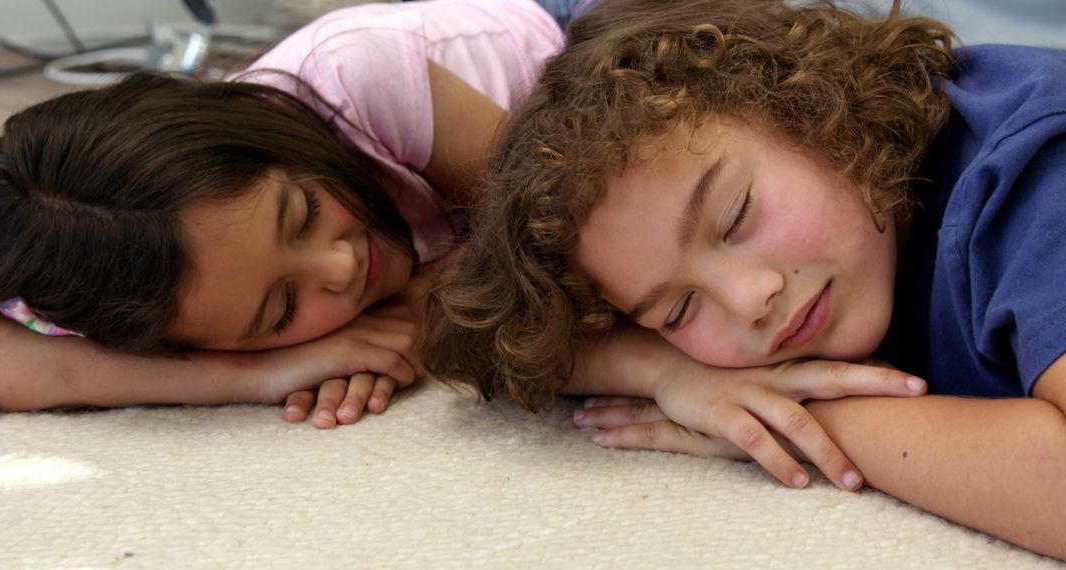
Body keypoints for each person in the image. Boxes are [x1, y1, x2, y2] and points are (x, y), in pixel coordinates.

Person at [424, 0, 1066, 558]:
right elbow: (485, 340)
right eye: (677, 314)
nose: (748, 301)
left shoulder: (1033, 175)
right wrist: (669, 374)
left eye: (736, 217)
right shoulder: (825, 241)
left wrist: (803, 419)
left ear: (814, 109)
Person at [0, 0, 564, 428]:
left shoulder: (360, 74)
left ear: (256, 130)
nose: (341, 265)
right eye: (283, 309)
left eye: (305, 214)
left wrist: (418, 309)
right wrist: (262, 376)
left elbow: (554, 233)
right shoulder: (102, 268)